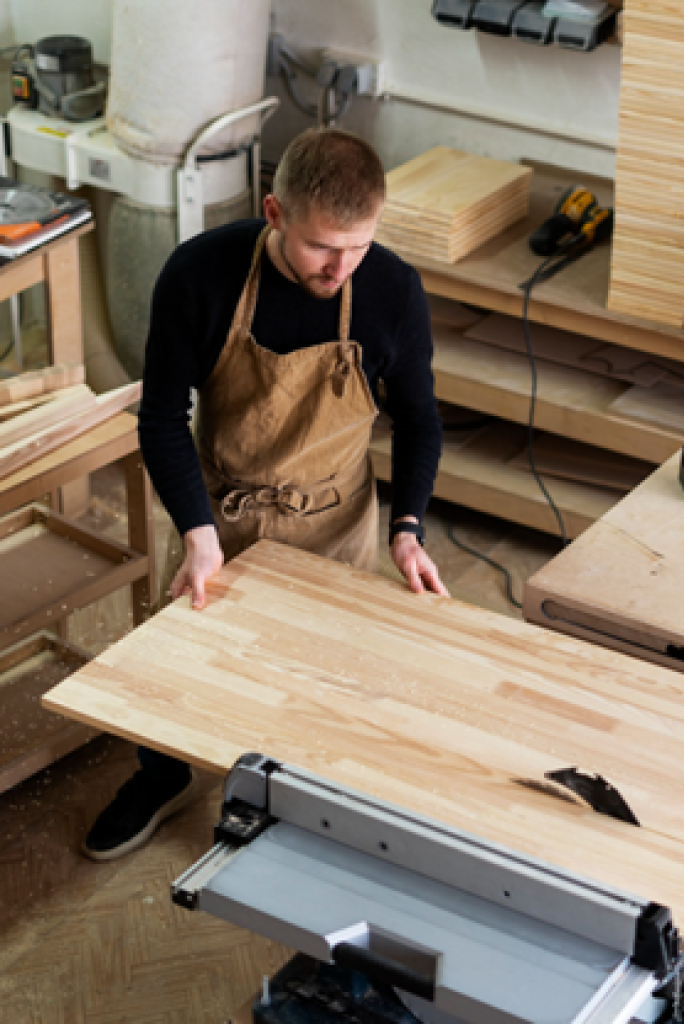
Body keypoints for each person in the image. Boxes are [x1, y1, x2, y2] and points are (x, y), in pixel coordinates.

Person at [82, 127, 447, 860]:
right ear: (275, 212)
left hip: (333, 518)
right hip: (224, 512)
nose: (341, 268)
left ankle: (299, 799)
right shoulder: (201, 274)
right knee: (181, 667)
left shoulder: (391, 289)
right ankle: (162, 773)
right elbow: (159, 416)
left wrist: (408, 526)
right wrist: (195, 530)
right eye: (322, 248)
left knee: (321, 674)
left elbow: (419, 416)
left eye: (359, 247)